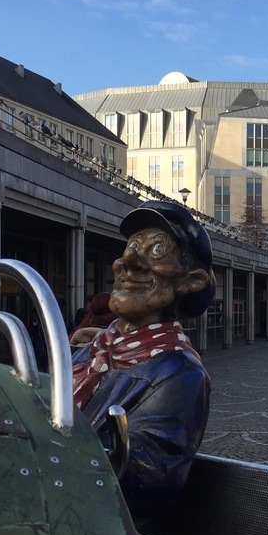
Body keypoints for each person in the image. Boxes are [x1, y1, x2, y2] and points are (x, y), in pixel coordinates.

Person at [72, 200, 217, 517]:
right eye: (131, 246)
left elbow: (150, 476)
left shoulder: (179, 373)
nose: (128, 260)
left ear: (191, 281)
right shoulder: (90, 353)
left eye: (156, 251)